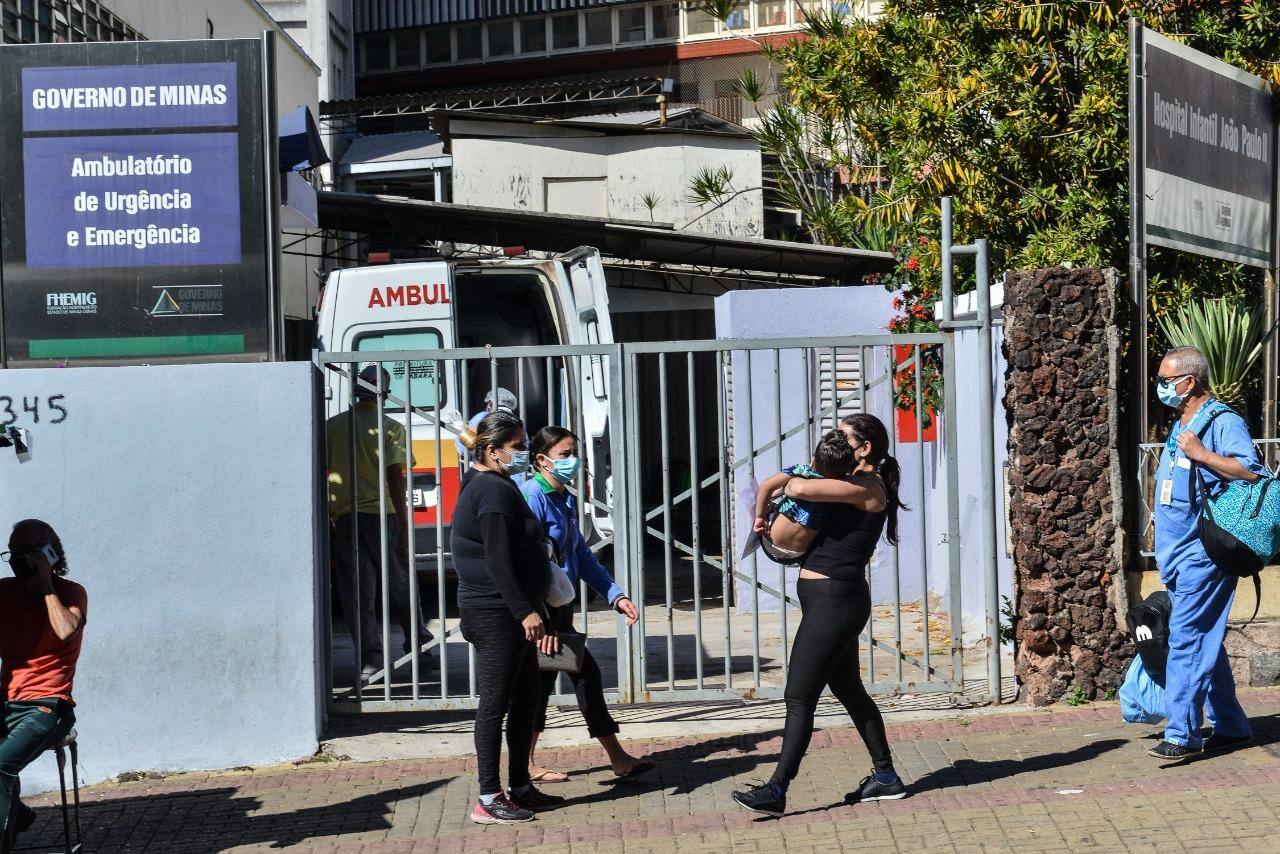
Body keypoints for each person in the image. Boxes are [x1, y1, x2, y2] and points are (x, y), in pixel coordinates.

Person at [732, 413, 907, 816]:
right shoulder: (853, 483)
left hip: (835, 601)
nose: (834, 440)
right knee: (848, 690)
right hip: (831, 600)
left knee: (799, 697)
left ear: (864, 449)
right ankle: (885, 776)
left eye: (843, 436)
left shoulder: (865, 486)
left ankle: (776, 790)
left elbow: (796, 485)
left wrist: (797, 477)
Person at [1149, 346, 1264, 759]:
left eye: (1166, 379)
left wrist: (1202, 454)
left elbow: (1251, 470)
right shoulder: (1181, 422)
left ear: (1190, 381)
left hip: (1205, 552)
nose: (1160, 386)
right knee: (1204, 640)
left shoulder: (1222, 421)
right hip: (1175, 555)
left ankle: (1182, 732)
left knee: (1187, 638)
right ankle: (1232, 726)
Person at [519, 426, 652, 782]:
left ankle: (612, 757)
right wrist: (543, 621)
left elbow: (579, 552)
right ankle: (531, 764)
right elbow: (526, 563)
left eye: (574, 453)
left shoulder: (562, 496)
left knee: (551, 683)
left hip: (560, 609)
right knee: (579, 676)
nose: (573, 461)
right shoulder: (532, 496)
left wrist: (615, 594)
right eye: (564, 455)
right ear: (542, 459)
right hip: (544, 612)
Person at [452, 411, 564, 824]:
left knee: (526, 699)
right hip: (496, 613)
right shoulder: (492, 491)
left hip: (514, 610)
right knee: (495, 705)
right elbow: (498, 557)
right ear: (493, 450)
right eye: (518, 446)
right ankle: (487, 797)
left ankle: (520, 786)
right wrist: (524, 611)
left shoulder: (497, 483)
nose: (525, 452)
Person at [326, 364, 430, 682]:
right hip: (384, 517)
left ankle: (371, 660)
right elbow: (395, 479)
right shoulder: (390, 427)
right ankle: (419, 649)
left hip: (344, 519)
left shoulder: (332, 427)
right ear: (383, 392)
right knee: (400, 587)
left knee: (359, 592)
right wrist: (404, 524)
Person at [0, 520, 86, 854]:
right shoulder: (4, 593)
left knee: (0, 765)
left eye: (29, 551)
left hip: (49, 707)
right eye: (14, 550)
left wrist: (46, 582)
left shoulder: (71, 594)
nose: (19, 558)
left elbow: (65, 630)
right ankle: (16, 815)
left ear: (50, 552)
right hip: (7, 703)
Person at [753, 431, 858, 563]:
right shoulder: (839, 487)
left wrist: (760, 517)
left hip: (770, 542)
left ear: (814, 457)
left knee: (773, 500)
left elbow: (766, 486)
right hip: (798, 554)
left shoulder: (802, 471)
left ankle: (779, 497)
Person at [456, 388, 519, 459]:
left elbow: (462, 447)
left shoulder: (482, 416)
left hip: (485, 464)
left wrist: (460, 428)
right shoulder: (517, 421)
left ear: (489, 403)